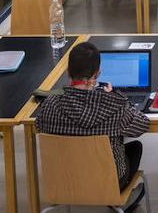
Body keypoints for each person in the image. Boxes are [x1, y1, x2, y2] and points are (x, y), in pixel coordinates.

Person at [34, 42, 151, 196]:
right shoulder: (113, 107)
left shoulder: (49, 105)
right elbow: (143, 125)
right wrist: (118, 98)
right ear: (97, 74)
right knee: (135, 147)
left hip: (65, 180)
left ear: (68, 72)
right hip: (108, 181)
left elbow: (38, 125)